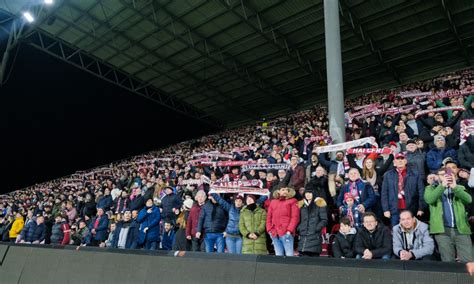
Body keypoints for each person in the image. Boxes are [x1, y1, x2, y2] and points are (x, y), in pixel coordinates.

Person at [424, 167, 472, 262]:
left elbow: (469, 200)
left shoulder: (460, 188)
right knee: (447, 261)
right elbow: (429, 199)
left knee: (469, 261)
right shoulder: (430, 188)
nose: (446, 177)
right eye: (442, 175)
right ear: (437, 177)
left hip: (461, 229)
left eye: (449, 174)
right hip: (442, 231)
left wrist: (455, 187)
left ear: (454, 176)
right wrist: (442, 186)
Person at [381, 153, 425, 227]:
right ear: (394, 163)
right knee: (396, 232)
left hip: (410, 209)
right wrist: (386, 209)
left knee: (411, 232)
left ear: (406, 161)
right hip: (394, 209)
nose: (400, 161)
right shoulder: (387, 175)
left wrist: (421, 208)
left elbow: (421, 192)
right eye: (398, 159)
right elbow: (384, 193)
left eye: (402, 159)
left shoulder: (415, 174)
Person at [266, 186, 300, 256]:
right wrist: (269, 229)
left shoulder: (293, 201)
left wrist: (289, 230)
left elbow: (295, 217)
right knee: (278, 255)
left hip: (286, 233)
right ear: (278, 191)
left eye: (286, 190)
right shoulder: (273, 202)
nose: (284, 191)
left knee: (289, 255)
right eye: (283, 190)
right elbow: (269, 217)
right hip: (274, 233)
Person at [297, 189, 328, 256]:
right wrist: (299, 227)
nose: (308, 195)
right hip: (303, 236)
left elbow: (324, 220)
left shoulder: (319, 204)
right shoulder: (302, 205)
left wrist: (316, 228)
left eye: (310, 193)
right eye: (306, 193)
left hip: (314, 236)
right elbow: (298, 219)